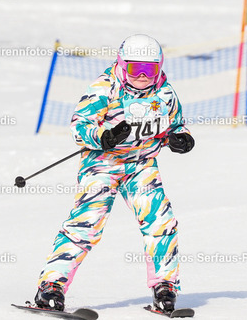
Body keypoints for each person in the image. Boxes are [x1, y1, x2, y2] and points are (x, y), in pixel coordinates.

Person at [34, 34, 194, 314]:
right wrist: (102, 136)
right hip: (102, 164)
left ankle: (165, 287)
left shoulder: (164, 92)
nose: (142, 76)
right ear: (121, 64)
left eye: (150, 69)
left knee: (161, 222)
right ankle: (51, 286)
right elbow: (80, 125)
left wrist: (181, 138)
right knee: (87, 223)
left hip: (141, 165)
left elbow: (175, 123)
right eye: (135, 69)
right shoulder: (104, 88)